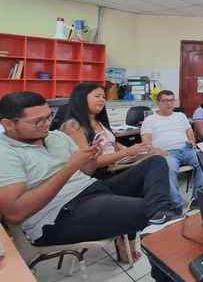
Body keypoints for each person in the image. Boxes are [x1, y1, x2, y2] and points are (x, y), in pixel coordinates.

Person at [0, 91, 188, 282]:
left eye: (49, 116)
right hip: (58, 215)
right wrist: (69, 167)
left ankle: (160, 215)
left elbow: (87, 172)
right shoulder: (5, 153)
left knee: (156, 162)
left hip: (92, 190)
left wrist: (90, 158)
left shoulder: (56, 137)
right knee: (154, 214)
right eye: (37, 121)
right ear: (8, 124)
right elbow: (15, 214)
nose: (46, 124)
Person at [60, 82, 166, 263]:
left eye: (103, 96)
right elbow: (87, 164)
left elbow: (115, 145)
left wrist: (138, 151)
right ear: (81, 98)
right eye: (97, 96)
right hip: (95, 180)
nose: (102, 100)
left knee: (154, 160)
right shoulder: (73, 126)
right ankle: (154, 214)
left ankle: (135, 231)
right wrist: (128, 152)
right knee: (150, 170)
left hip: (114, 170)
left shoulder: (99, 122)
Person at [140, 90, 203, 214]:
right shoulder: (150, 119)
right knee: (168, 168)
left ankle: (197, 200)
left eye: (171, 100)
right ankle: (176, 205)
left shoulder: (180, 116)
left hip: (186, 149)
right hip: (166, 153)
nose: (169, 103)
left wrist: (192, 140)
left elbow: (189, 131)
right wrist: (156, 151)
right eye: (165, 100)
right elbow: (146, 141)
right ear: (158, 103)